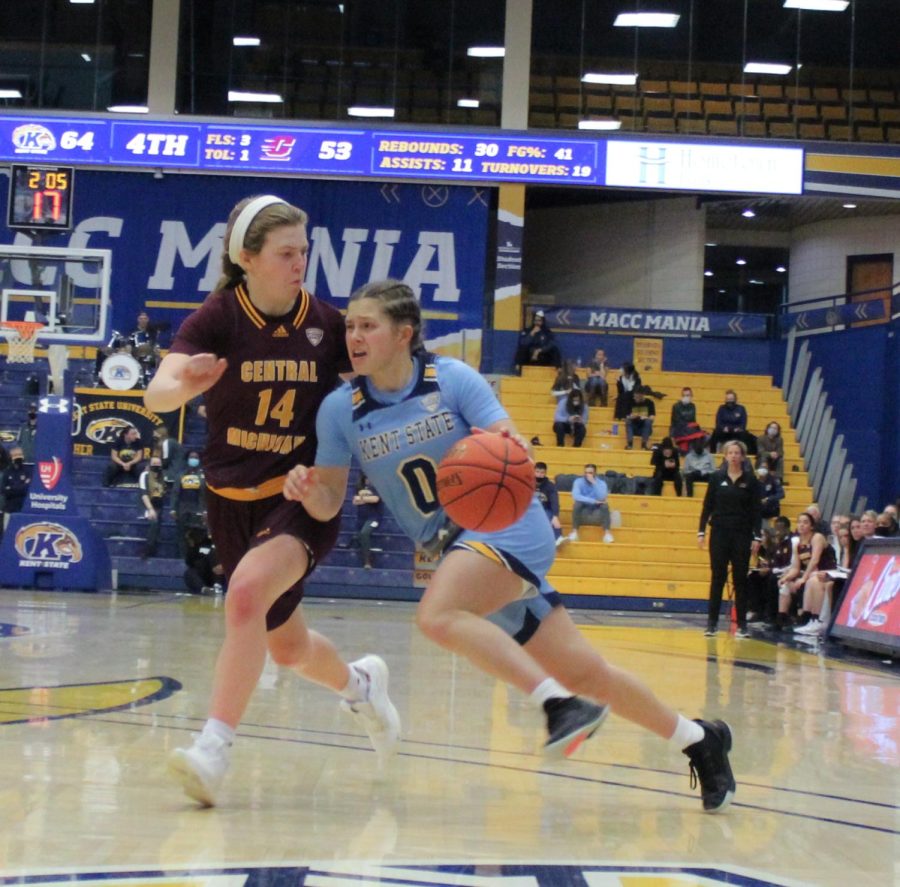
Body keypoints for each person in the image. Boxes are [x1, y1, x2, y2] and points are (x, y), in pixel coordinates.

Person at [285, 279, 737, 814]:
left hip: (508, 521)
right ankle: (698, 739)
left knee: (437, 616)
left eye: (367, 326)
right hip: (456, 549)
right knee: (585, 670)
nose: (354, 337)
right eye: (350, 327)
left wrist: (511, 444)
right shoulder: (341, 410)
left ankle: (558, 706)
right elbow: (330, 501)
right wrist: (310, 491)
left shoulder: (451, 378)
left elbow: (508, 438)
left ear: (404, 334)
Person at [144, 194, 400, 807]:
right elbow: (156, 394)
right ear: (248, 258)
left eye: (303, 252)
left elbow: (391, 373)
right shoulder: (218, 317)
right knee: (287, 648)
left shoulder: (329, 324)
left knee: (246, 596)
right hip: (230, 501)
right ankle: (362, 686)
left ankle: (213, 749)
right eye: (286, 253)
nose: (299, 263)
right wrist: (185, 383)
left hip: (302, 497)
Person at [698, 440, 763, 638]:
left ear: (743, 457)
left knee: (740, 578)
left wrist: (757, 536)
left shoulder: (751, 480)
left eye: (737, 453)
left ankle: (742, 625)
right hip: (719, 532)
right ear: (725, 456)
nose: (734, 456)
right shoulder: (716, 478)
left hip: (742, 534)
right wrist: (701, 531)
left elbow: (756, 511)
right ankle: (712, 623)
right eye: (730, 452)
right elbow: (707, 505)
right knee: (717, 577)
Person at [777, 512, 837, 636]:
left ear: (811, 526)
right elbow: (796, 568)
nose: (802, 525)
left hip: (828, 572)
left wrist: (803, 578)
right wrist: (786, 577)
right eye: (799, 522)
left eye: (805, 522)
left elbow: (815, 560)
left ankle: (814, 619)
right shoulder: (797, 544)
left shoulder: (817, 537)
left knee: (811, 580)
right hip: (813, 573)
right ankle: (782, 618)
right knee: (785, 585)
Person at [171, 449, 207, 557]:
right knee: (181, 535)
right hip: (182, 509)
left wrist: (205, 510)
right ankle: (183, 557)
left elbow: (205, 495)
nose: (193, 459)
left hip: (197, 509)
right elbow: (175, 492)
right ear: (187, 459)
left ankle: (196, 559)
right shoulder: (180, 475)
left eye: (196, 457)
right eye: (191, 457)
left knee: (197, 535)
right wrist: (173, 508)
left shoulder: (204, 476)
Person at [568, 462, 613, 543]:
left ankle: (607, 534)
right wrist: (593, 501)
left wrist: (594, 483)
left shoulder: (601, 483)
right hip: (584, 506)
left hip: (597, 507)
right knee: (577, 504)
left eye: (590, 473)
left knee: (605, 505)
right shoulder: (578, 482)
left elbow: (602, 497)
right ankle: (574, 532)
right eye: (586, 473)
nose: (587, 475)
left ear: (595, 473)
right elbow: (576, 496)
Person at [138, 454, 167, 558]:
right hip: (146, 505)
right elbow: (144, 494)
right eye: (154, 463)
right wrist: (150, 509)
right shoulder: (145, 475)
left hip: (159, 506)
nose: (156, 465)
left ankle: (152, 549)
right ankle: (147, 549)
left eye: (158, 463)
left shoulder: (163, 476)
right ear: (149, 465)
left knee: (157, 519)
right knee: (154, 520)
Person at [708, 391, 756, 455]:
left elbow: (743, 423)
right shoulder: (721, 408)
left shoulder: (741, 408)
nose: (729, 401)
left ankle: (747, 455)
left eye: (731, 399)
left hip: (737, 432)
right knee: (715, 433)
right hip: (725, 431)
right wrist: (723, 428)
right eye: (728, 399)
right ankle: (712, 454)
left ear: (735, 399)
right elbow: (718, 422)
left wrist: (738, 429)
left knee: (746, 435)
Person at [183, 523, 226, 595]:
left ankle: (217, 586)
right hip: (202, 575)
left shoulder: (214, 543)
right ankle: (204, 589)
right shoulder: (194, 547)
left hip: (216, 573)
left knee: (214, 556)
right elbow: (189, 563)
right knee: (189, 572)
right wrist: (192, 546)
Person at [352, 473, 384, 569]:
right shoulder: (359, 486)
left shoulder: (378, 486)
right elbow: (354, 501)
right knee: (360, 536)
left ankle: (367, 561)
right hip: (361, 518)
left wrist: (361, 498)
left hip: (374, 518)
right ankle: (368, 556)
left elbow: (375, 499)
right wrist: (366, 499)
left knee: (364, 533)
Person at [1, 445, 30, 534]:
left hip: (23, 509)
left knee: (22, 534)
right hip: (9, 508)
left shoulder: (27, 471)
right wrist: (20, 486)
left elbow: (27, 489)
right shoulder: (7, 472)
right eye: (16, 459)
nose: (18, 461)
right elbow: (4, 490)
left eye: (19, 458)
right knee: (7, 533)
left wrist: (12, 488)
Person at [534, 461, 563, 546]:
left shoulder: (550, 486)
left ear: (545, 473)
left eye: (542, 472)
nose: (539, 475)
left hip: (545, 509)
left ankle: (558, 538)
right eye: (537, 472)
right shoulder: (527, 483)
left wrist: (555, 516)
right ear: (533, 472)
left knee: (550, 516)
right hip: (530, 510)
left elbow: (555, 501)